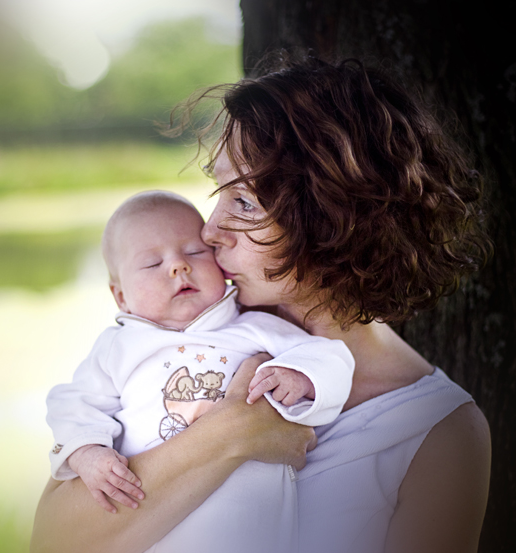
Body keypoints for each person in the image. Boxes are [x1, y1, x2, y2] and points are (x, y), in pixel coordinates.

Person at [31, 56, 492, 553]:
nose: (210, 231)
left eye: (244, 203)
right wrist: (231, 432)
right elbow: (52, 541)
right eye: (218, 194)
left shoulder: (438, 432)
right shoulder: (191, 332)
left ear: (333, 220)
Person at [44, 190, 354, 552]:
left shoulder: (253, 328)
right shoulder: (117, 348)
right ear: (121, 296)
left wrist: (301, 376)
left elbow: (330, 357)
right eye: (152, 263)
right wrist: (87, 452)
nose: (178, 266)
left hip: (252, 527)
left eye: (194, 252)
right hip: (155, 520)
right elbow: (74, 404)